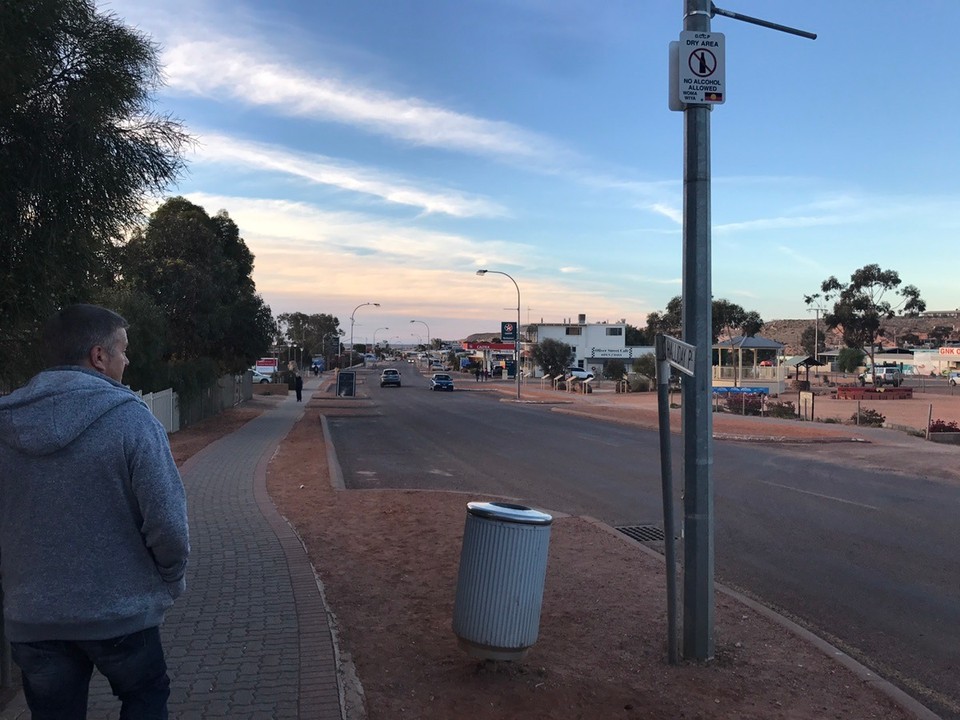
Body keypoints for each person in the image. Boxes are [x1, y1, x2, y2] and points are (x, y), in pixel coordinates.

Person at [0, 304, 190, 719]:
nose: (128, 360)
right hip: (122, 615)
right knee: (145, 699)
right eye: (122, 350)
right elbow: (168, 524)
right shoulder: (132, 421)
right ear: (98, 356)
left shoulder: (6, 422)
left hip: (34, 618)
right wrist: (171, 579)